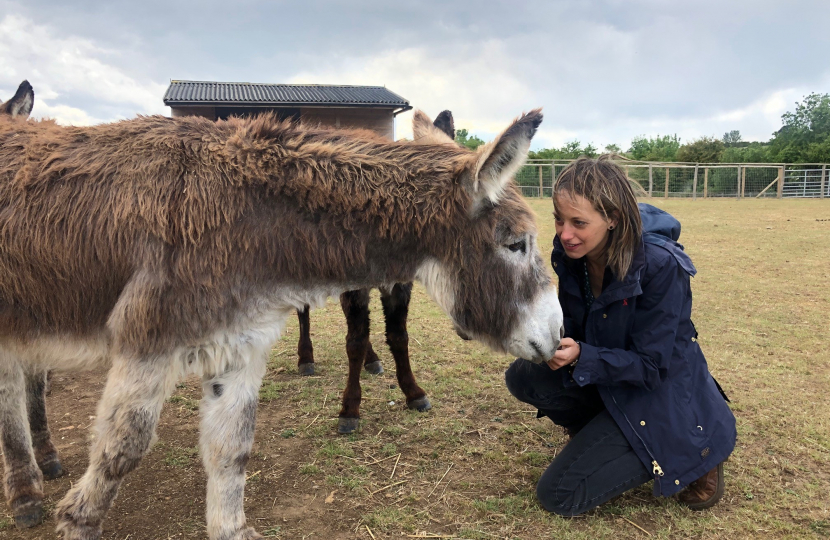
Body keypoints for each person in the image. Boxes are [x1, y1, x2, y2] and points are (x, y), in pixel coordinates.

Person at [505, 155, 736, 516]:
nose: (565, 233)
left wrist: (583, 356)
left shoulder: (660, 266)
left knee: (559, 497)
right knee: (525, 378)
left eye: (579, 222)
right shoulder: (571, 254)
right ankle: (601, 434)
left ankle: (698, 453)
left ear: (612, 218)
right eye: (559, 219)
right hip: (610, 373)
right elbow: (578, 325)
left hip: (656, 391)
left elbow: (651, 366)